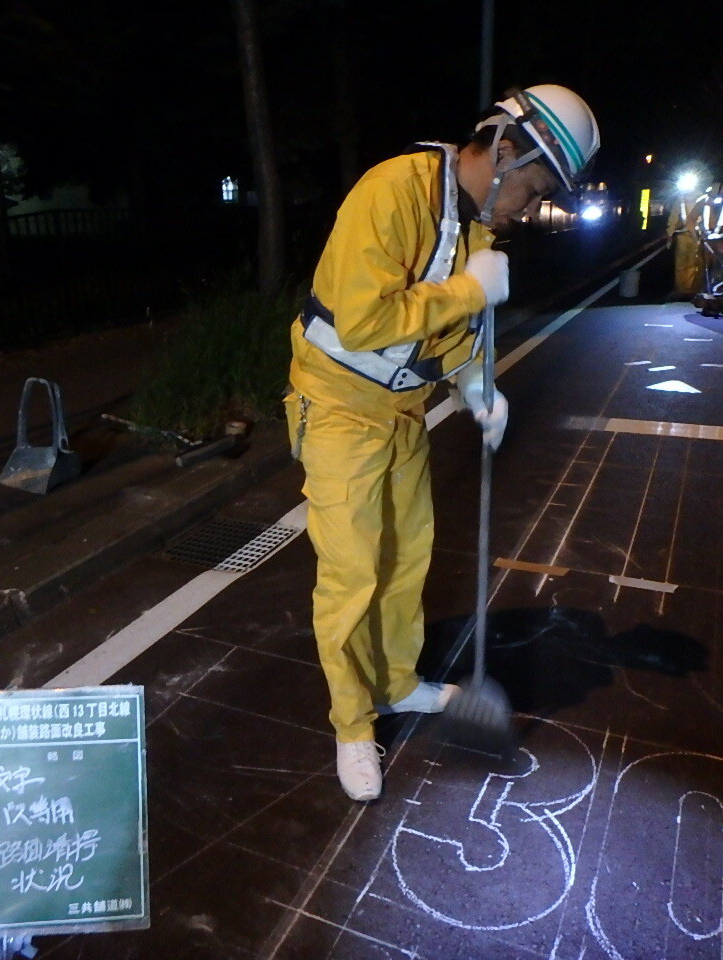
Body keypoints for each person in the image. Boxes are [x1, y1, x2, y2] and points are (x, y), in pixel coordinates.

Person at [285, 85, 600, 801]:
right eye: (534, 187)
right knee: (352, 574)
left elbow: (454, 338)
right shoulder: (392, 192)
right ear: (506, 150)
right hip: (336, 406)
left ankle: (397, 685)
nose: (528, 206)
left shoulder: (478, 232)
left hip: (400, 413)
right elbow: (365, 320)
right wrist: (468, 292)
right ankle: (352, 723)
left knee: (404, 561)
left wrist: (476, 388)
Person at [665, 175, 705, 299]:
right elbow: (673, 218)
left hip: (696, 235)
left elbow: (707, 216)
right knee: (680, 263)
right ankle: (680, 290)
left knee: (694, 263)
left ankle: (692, 290)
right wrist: (670, 235)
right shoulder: (680, 200)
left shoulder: (702, 198)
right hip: (682, 234)